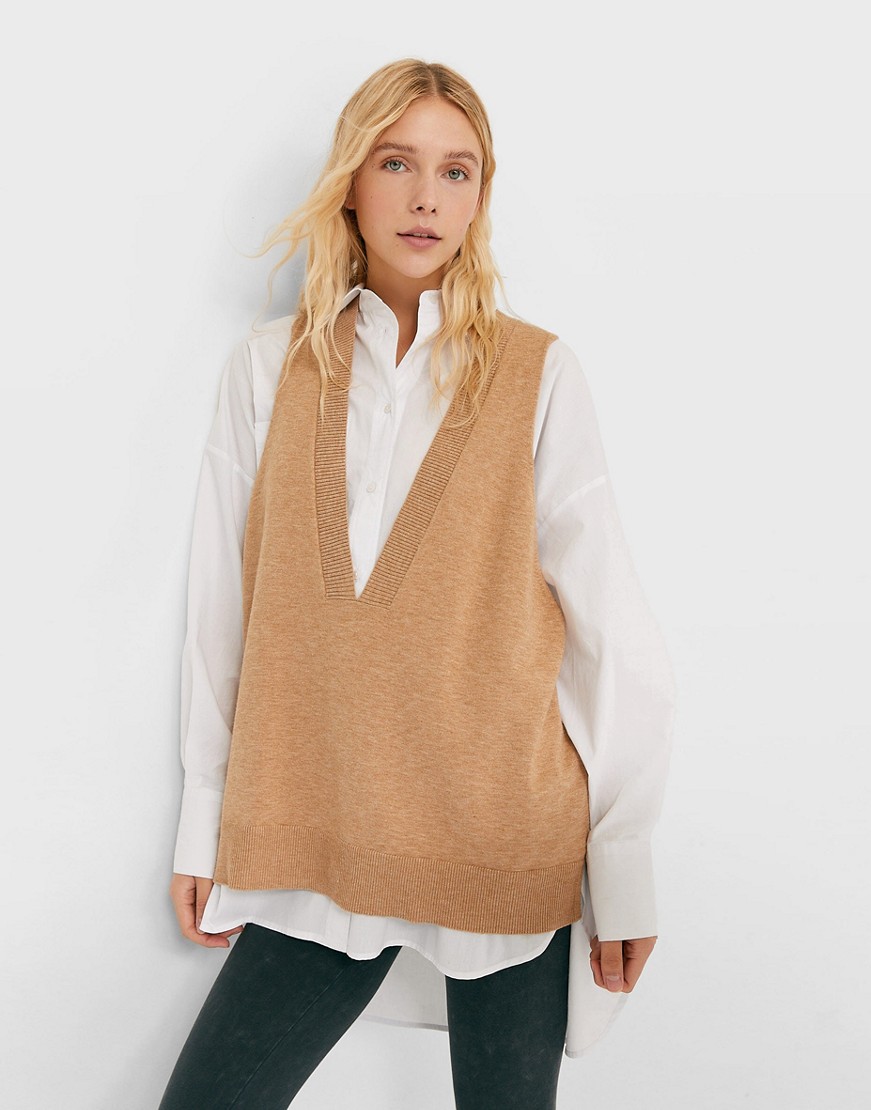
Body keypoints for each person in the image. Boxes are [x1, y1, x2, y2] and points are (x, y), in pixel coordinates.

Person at [159, 58, 676, 1110]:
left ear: (480, 199)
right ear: (351, 180)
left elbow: (610, 631)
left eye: (456, 171)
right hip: (319, 830)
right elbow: (224, 610)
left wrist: (622, 861)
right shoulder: (267, 368)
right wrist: (206, 816)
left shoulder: (537, 374)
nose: (426, 196)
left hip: (500, 839)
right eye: (396, 163)